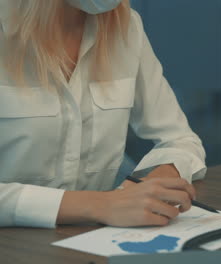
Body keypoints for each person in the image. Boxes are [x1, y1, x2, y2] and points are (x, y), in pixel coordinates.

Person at [0, 0, 206, 228]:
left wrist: (162, 174)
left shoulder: (127, 28)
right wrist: (100, 204)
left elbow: (181, 139)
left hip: (97, 239)